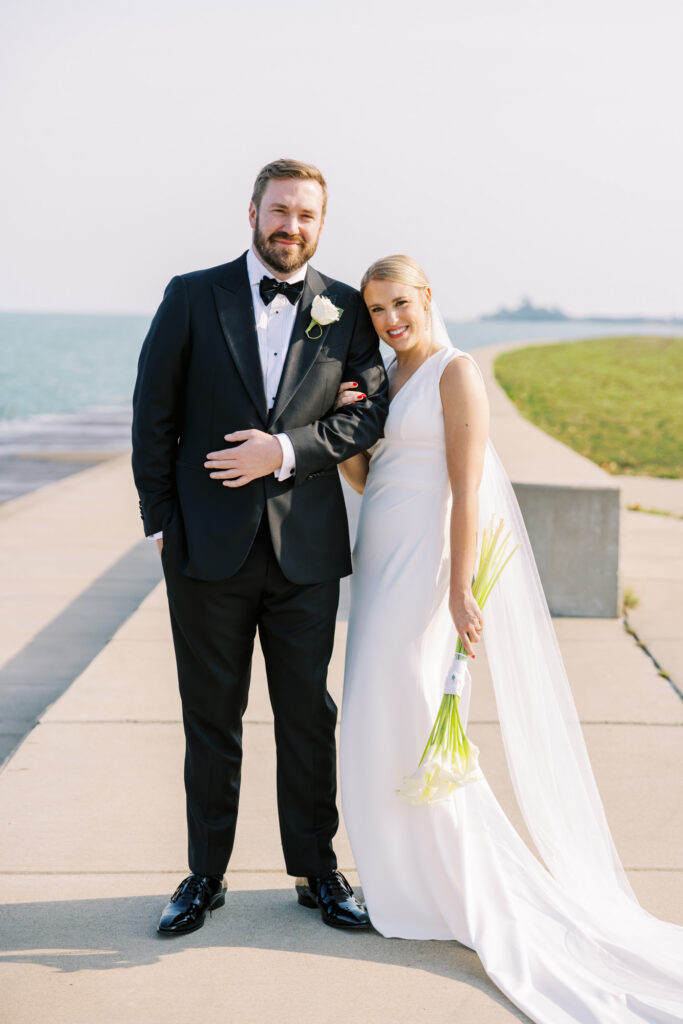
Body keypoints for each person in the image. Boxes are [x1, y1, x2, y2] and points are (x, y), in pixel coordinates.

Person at [337, 255, 683, 1022]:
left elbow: (467, 490)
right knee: (370, 720)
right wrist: (345, 418)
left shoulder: (455, 372)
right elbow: (366, 476)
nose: (390, 321)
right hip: (378, 556)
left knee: (413, 712)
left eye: (400, 304)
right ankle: (399, 884)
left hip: (426, 565)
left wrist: (459, 587)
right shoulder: (384, 375)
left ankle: (451, 883)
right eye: (376, 311)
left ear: (426, 298)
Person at [131, 159, 388, 936]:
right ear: (252, 213)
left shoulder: (345, 308)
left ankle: (317, 870)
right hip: (204, 551)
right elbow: (153, 412)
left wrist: (283, 450)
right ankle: (204, 875)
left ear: (320, 223)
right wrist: (163, 523)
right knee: (210, 716)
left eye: (306, 215)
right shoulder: (190, 295)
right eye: (280, 211)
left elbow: (367, 411)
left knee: (307, 714)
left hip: (305, 550)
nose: (291, 227)